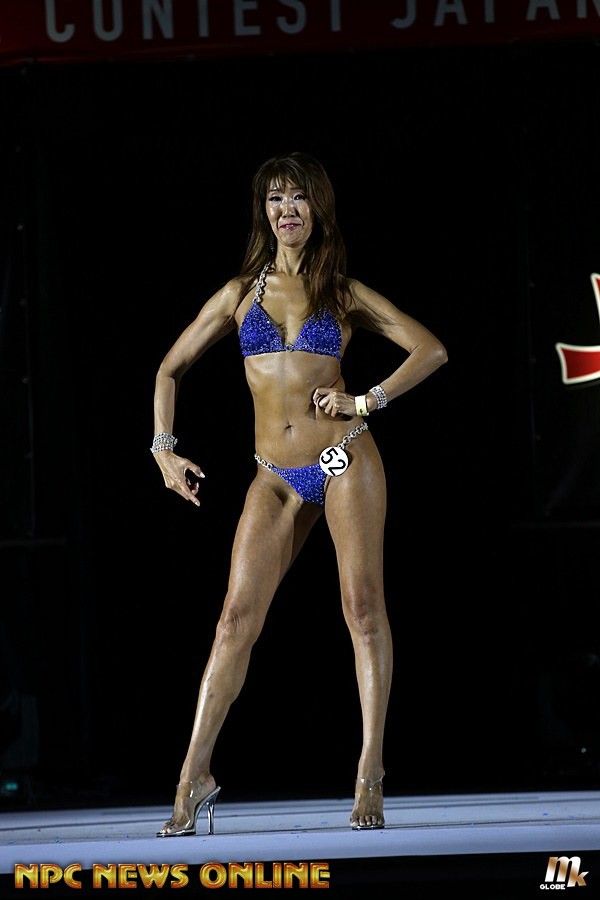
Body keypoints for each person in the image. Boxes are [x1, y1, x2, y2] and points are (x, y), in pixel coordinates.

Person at [151, 151, 447, 835]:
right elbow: (169, 368)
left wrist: (365, 400)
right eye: (275, 198)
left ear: (318, 210)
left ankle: (369, 771)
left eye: (299, 198)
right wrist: (163, 450)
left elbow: (429, 349)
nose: (287, 209)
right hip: (274, 474)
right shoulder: (239, 295)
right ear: (264, 213)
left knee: (362, 608)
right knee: (234, 620)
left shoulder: (341, 292)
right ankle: (193, 776)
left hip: (344, 458)